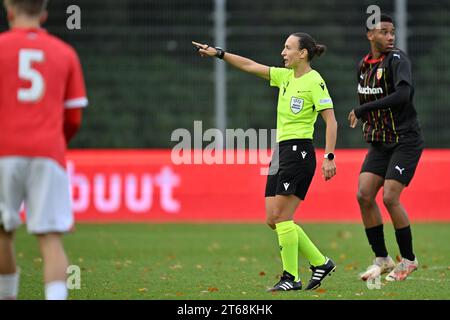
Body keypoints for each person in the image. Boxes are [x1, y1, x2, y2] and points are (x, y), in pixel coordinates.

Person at [192, 32, 338, 291]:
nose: (283, 52)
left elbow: (331, 121)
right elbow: (249, 65)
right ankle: (320, 262)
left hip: (299, 152)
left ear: (302, 53)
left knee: (282, 217)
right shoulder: (284, 76)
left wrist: (329, 156)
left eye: (288, 48)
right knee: (273, 218)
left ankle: (291, 278)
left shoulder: (315, 81)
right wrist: (219, 53)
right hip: (280, 152)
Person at [0, 0, 88, 299]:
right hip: (47, 153)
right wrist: (55, 140)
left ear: (9, 12)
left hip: (3, 151)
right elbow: (74, 116)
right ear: (44, 15)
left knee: (3, 232)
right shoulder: (65, 53)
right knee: (51, 239)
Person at [348, 14, 423, 282]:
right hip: (380, 142)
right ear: (370, 35)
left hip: (405, 140)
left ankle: (409, 260)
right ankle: (382, 258)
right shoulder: (363, 66)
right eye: (384, 32)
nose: (390, 37)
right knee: (363, 195)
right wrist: (366, 118)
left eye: (393, 32)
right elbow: (371, 100)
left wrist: (363, 109)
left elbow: (403, 95)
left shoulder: (398, 60)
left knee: (390, 197)